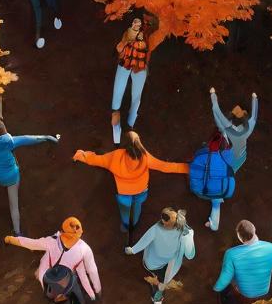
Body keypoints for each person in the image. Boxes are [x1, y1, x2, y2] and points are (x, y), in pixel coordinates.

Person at [73, 131, 189, 240]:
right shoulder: (145, 156)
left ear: (125, 145)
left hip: (123, 195)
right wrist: (189, 168)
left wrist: (81, 155)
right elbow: (165, 166)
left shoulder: (115, 156)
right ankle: (134, 224)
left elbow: (95, 160)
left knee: (125, 212)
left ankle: (125, 226)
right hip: (141, 192)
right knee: (137, 207)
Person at [5, 217, 99, 304]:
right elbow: (89, 272)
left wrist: (10, 239)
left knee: (60, 302)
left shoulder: (52, 241)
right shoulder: (84, 249)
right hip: (70, 281)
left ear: (62, 231)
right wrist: (95, 291)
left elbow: (31, 243)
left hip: (51, 281)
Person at [125, 207, 195, 304]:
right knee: (163, 277)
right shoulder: (180, 230)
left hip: (161, 261)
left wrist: (133, 250)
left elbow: (145, 240)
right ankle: (158, 290)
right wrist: (134, 249)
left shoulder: (178, 231)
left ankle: (158, 292)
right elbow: (190, 254)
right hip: (157, 261)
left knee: (163, 278)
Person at [111, 13, 164, 143]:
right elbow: (119, 48)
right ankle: (118, 125)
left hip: (140, 68)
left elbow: (153, 41)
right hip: (125, 63)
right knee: (118, 94)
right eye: (143, 21)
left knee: (136, 98)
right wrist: (127, 39)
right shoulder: (130, 32)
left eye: (148, 22)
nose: (144, 24)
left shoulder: (152, 36)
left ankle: (129, 126)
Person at [188, 131, 237, 231]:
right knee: (216, 196)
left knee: (208, 183)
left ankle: (214, 224)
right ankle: (214, 225)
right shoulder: (228, 155)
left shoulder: (201, 154)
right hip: (224, 191)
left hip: (200, 192)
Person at [209, 88, 258, 171]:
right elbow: (254, 116)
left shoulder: (226, 127)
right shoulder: (247, 129)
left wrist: (213, 94)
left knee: (221, 126)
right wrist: (255, 99)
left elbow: (216, 110)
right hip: (237, 157)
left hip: (232, 157)